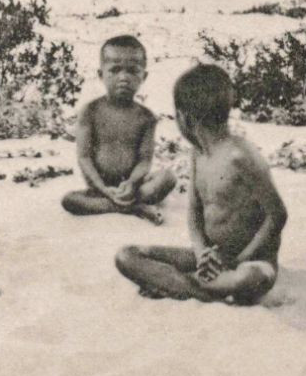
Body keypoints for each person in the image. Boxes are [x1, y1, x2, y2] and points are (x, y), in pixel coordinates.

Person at [114, 65, 287, 304]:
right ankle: (196, 286)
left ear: (185, 118)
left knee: (249, 278)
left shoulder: (241, 156)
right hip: (210, 259)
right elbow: (194, 211)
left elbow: (277, 215)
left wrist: (237, 260)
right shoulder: (198, 154)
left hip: (250, 261)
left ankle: (178, 285)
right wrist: (201, 252)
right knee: (127, 255)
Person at [62, 36, 177, 223]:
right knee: (70, 200)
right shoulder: (90, 111)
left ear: (143, 76)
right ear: (101, 75)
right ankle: (135, 208)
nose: (123, 77)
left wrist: (131, 183)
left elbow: (144, 160)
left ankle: (126, 203)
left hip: (134, 187)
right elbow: (84, 157)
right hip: (99, 189)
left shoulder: (146, 117)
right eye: (114, 70)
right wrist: (102, 188)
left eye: (132, 71)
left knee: (168, 178)